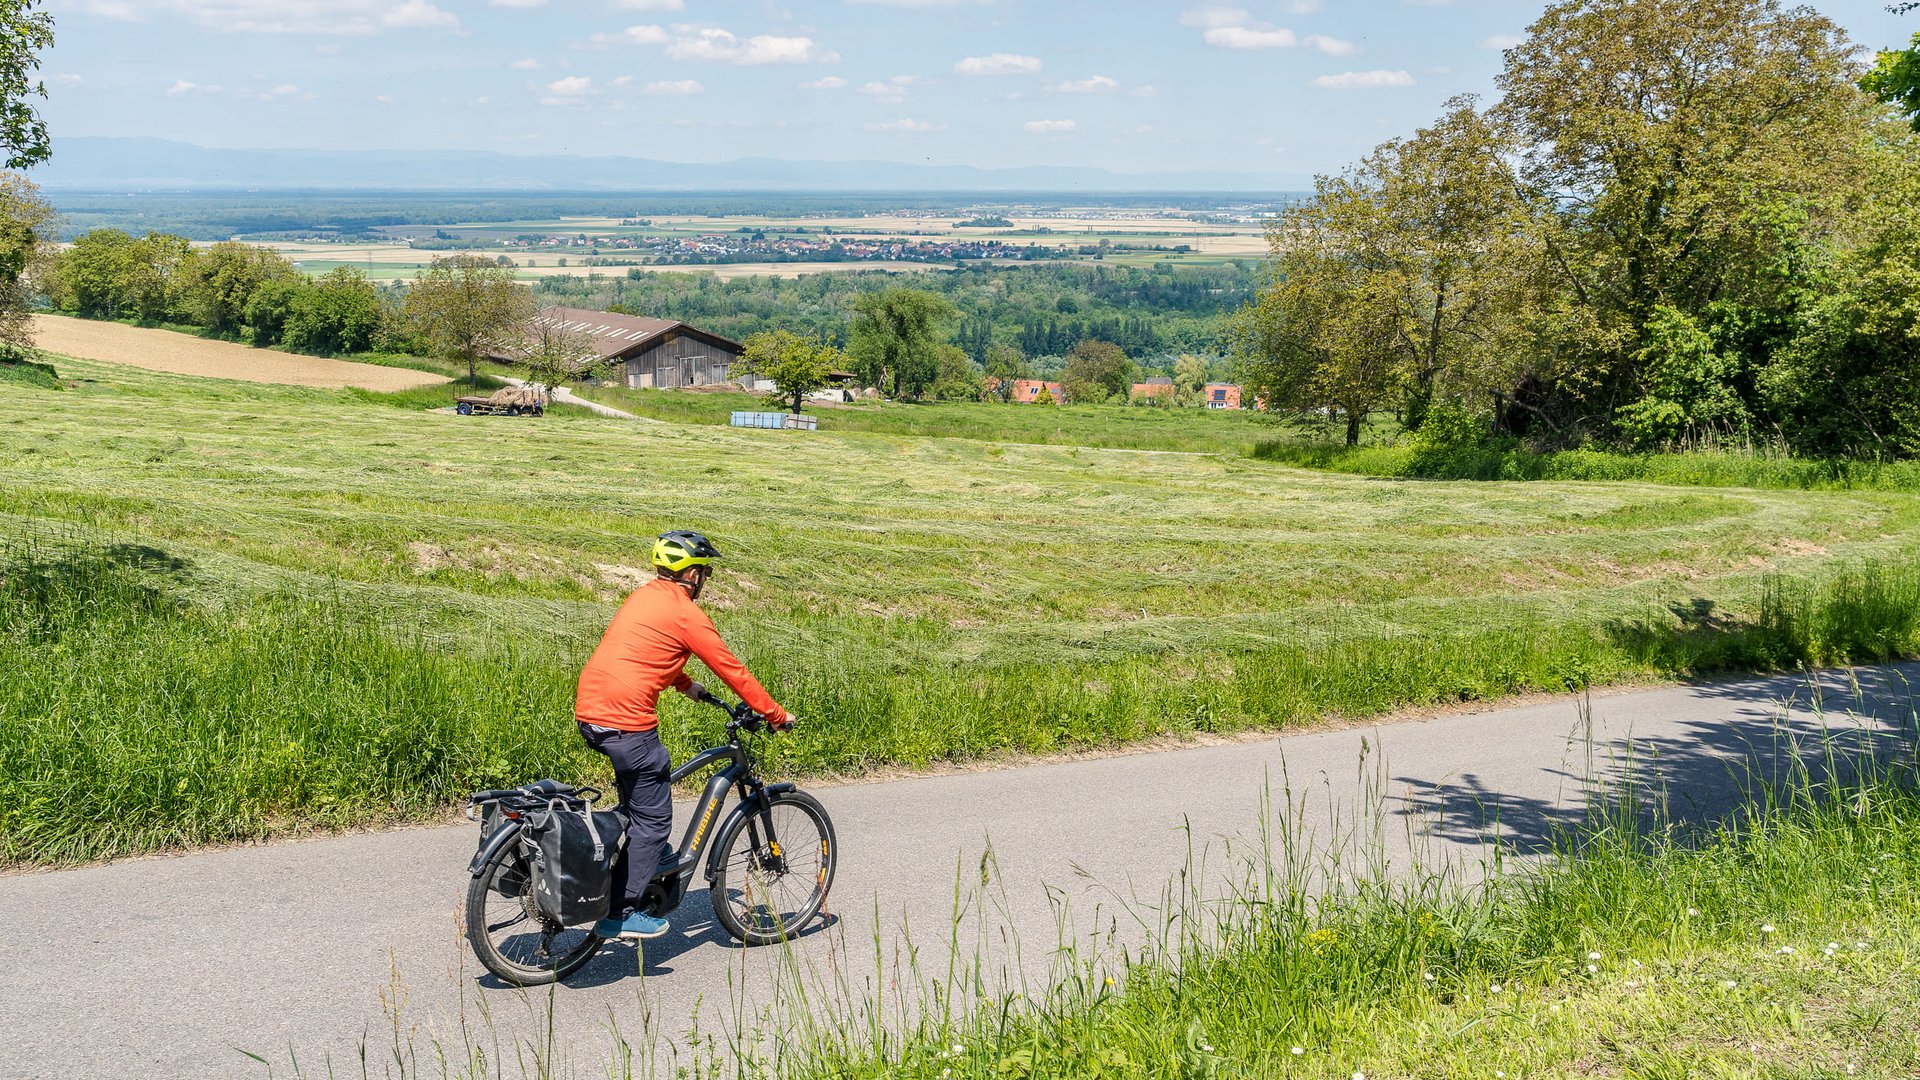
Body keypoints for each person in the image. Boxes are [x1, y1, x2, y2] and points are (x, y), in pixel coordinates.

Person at [574, 529, 791, 940]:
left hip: (591, 712)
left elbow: (641, 651)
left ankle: (633, 863)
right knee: (655, 820)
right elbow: (733, 670)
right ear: (690, 574)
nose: (705, 579)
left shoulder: (643, 597)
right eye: (704, 571)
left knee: (639, 801)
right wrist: (775, 714)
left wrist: (684, 684)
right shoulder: (687, 614)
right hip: (626, 721)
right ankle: (620, 913)